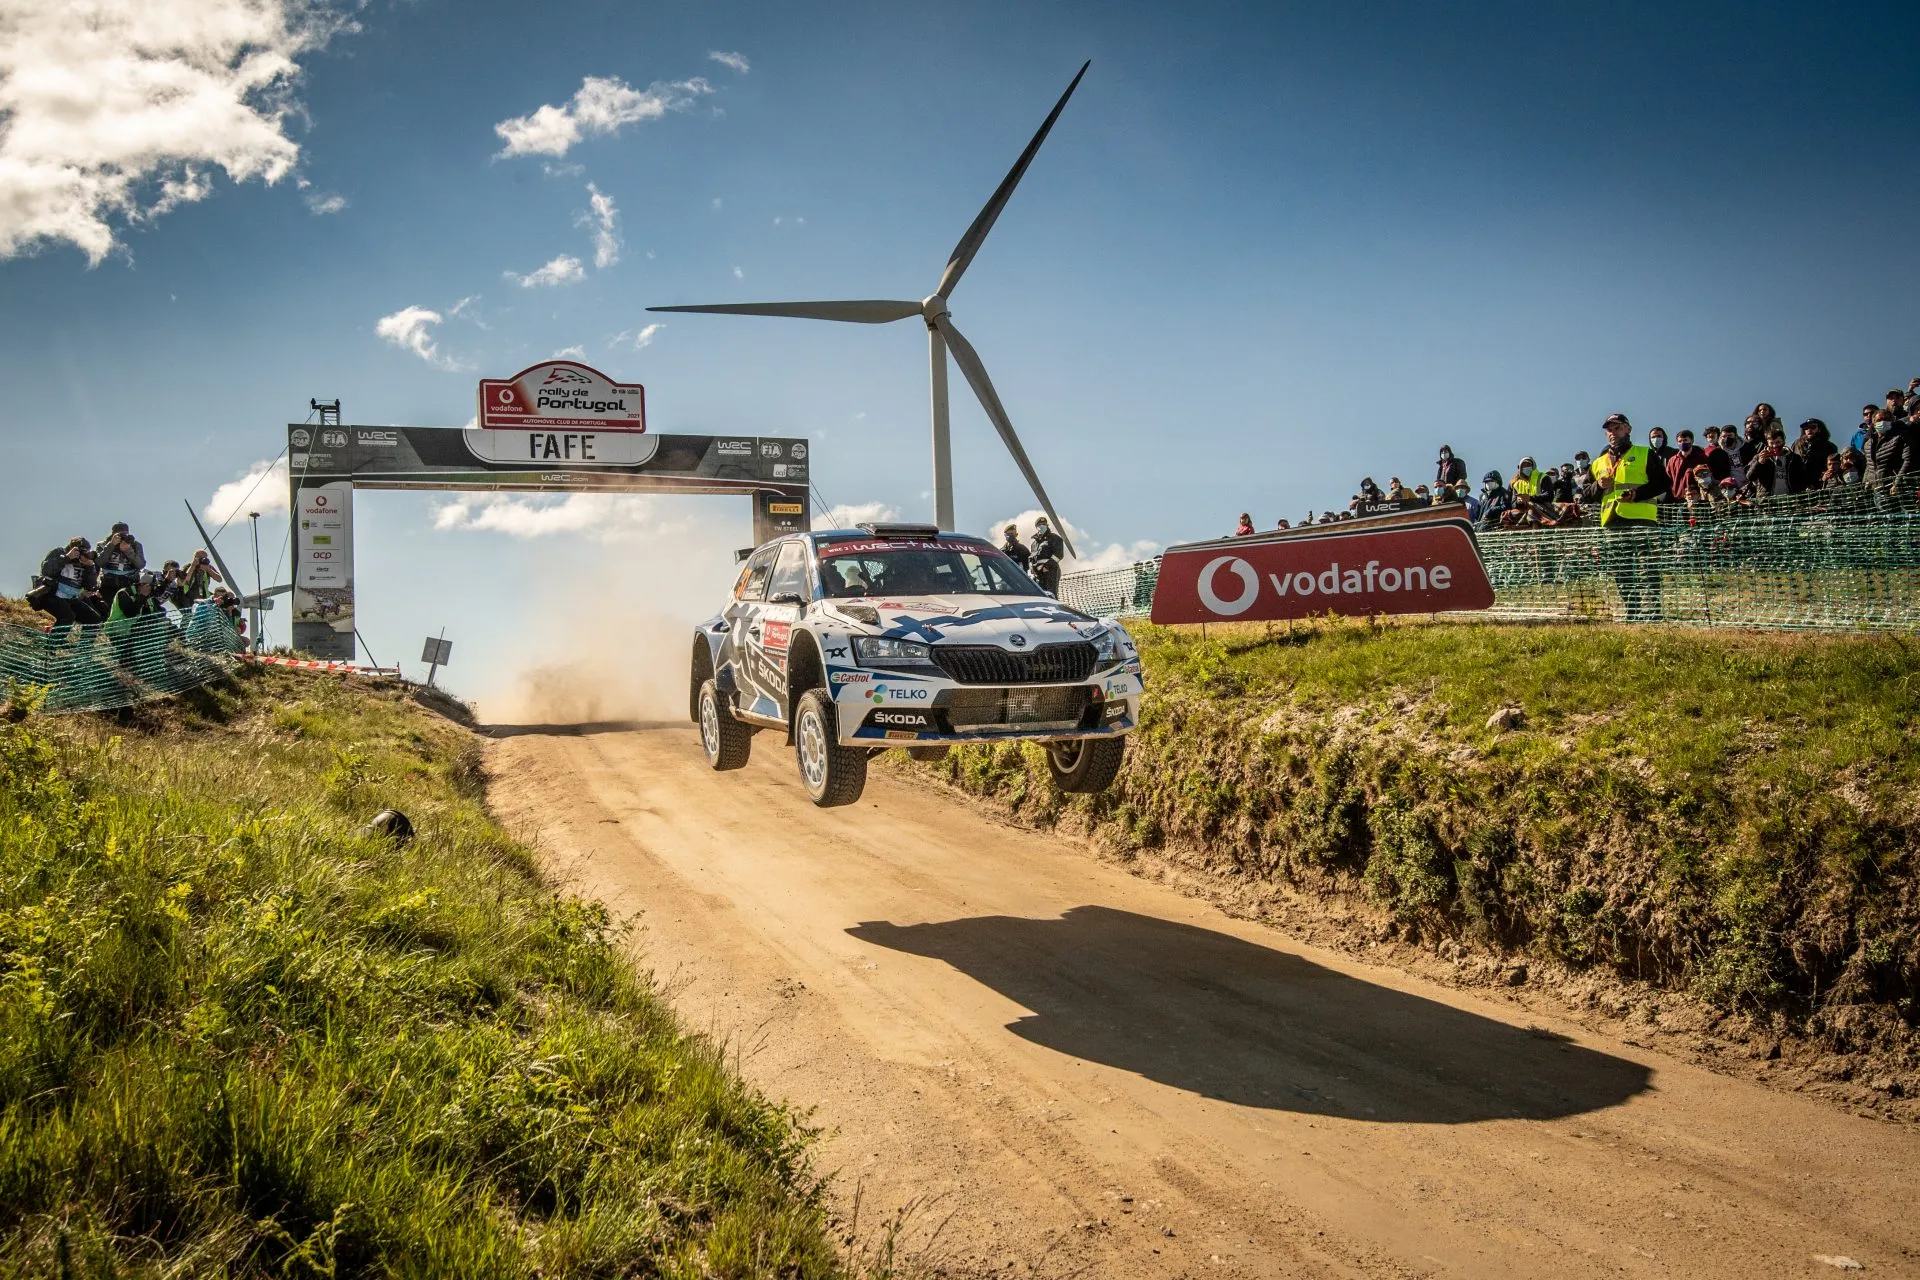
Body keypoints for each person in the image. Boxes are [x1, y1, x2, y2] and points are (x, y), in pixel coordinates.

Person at [1591, 413, 1665, 621]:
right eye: (1609, 429)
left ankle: (1652, 611)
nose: (1613, 433)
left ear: (1628, 429)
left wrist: (1637, 494)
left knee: (1647, 567)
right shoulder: (1598, 463)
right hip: (1612, 521)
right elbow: (1586, 493)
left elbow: (1662, 483)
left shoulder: (1645, 453)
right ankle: (1632, 610)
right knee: (1621, 568)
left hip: (1642, 518)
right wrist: (1598, 485)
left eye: (1617, 428)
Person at [28, 537, 101, 631]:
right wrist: (67, 558)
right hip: (51, 593)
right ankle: (53, 644)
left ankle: (84, 645)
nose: (82, 555)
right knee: (67, 616)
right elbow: (46, 571)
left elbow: (90, 587)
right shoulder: (59, 552)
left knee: (94, 618)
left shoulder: (86, 564)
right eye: (81, 551)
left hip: (71, 597)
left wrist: (90, 567)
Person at [95, 522, 146, 606]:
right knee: (108, 607)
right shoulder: (102, 544)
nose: (122, 537)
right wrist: (111, 545)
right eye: (120, 534)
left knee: (128, 607)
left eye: (125, 534)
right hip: (109, 582)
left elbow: (140, 565)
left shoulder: (135, 545)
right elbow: (100, 562)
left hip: (129, 581)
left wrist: (128, 550)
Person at [1746, 428, 1808, 497]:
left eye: (1778, 442)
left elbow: (1803, 477)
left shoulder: (1794, 458)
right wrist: (1759, 463)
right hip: (1767, 500)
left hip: (1790, 499)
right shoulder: (1758, 457)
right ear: (1767, 443)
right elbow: (1750, 477)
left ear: (1783, 441)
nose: (1775, 446)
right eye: (1771, 443)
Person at [1862, 411, 1912, 493]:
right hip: (1877, 489)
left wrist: (1897, 483)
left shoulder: (1900, 438)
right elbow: (1869, 464)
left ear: (1892, 421)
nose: (1883, 422)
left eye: (1886, 419)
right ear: (1874, 424)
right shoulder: (1868, 444)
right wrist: (1866, 481)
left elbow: (1907, 460)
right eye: (1879, 420)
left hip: (1895, 489)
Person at [1663, 430, 1708, 498]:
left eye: (1685, 440)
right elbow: (1668, 479)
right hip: (1677, 499)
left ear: (1692, 441)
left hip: (1696, 499)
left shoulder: (1701, 458)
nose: (1683, 443)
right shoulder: (1672, 460)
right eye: (1680, 441)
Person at [1028, 517, 1064, 595]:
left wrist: (1046, 567)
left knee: (1051, 595)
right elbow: (1031, 558)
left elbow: (1058, 555)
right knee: (1040, 596)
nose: (1042, 526)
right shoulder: (1034, 544)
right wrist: (1032, 569)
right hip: (1038, 573)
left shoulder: (1054, 538)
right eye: (1040, 525)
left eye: (1044, 524)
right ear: (1036, 527)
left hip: (1050, 571)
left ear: (1047, 525)